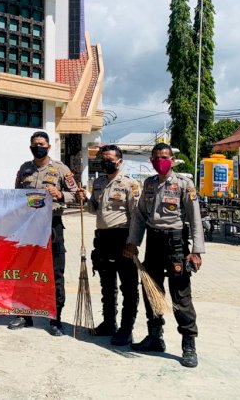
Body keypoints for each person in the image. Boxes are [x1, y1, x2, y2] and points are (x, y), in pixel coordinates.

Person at [124, 142, 204, 368]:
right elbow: (139, 217)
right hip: (154, 242)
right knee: (152, 291)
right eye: (157, 157)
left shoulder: (183, 184)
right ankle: (155, 337)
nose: (162, 161)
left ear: (172, 160)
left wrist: (197, 251)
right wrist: (133, 242)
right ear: (151, 161)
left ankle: (189, 344)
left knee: (180, 295)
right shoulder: (148, 185)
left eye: (166, 157)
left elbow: (195, 219)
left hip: (176, 243)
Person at [9, 131, 77, 336]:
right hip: (29, 227)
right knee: (26, 271)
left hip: (52, 225)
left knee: (55, 273)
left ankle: (56, 319)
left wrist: (61, 194)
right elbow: (16, 195)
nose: (37, 146)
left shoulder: (60, 169)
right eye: (34, 144)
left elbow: (76, 195)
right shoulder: (24, 169)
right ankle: (24, 314)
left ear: (48, 146)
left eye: (41, 143)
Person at [76, 145, 140, 345]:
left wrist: (133, 243)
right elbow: (94, 209)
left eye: (109, 158)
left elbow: (136, 216)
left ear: (119, 161)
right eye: (103, 158)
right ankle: (109, 323)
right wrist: (84, 198)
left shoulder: (130, 184)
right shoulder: (98, 183)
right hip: (103, 238)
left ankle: (126, 328)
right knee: (107, 284)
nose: (106, 162)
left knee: (128, 286)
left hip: (123, 238)